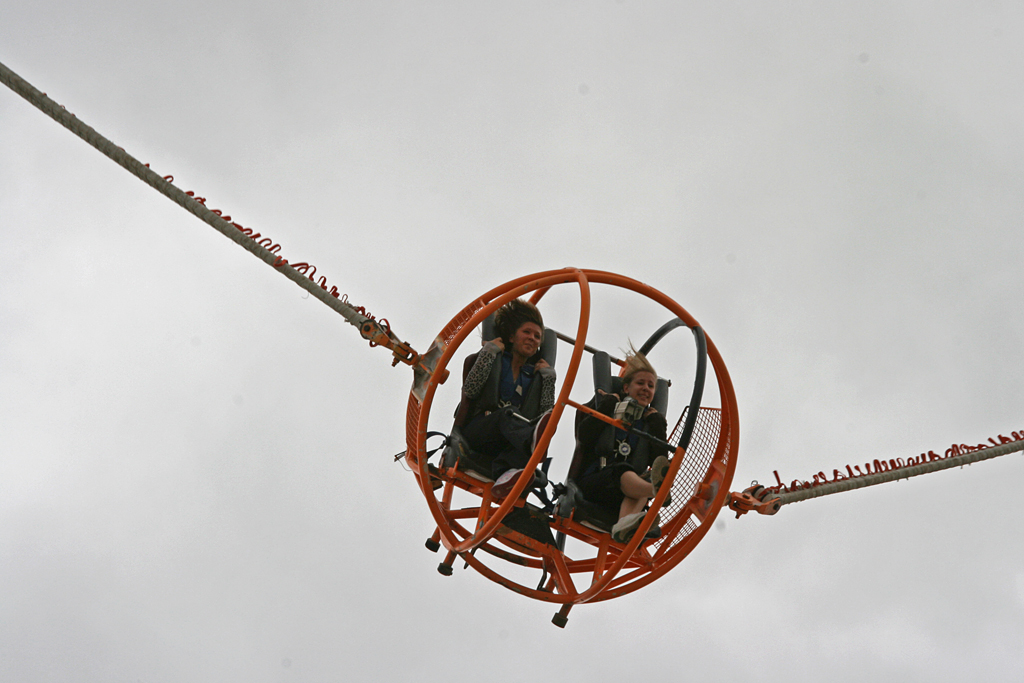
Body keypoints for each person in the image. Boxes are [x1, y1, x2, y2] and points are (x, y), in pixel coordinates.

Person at [456, 299, 557, 498]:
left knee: (529, 432)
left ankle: (505, 474)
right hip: (480, 430)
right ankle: (530, 442)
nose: (533, 339)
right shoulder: (495, 360)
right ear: (512, 336)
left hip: (508, 441)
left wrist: (549, 380)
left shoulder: (533, 376)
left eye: (537, 336)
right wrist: (488, 352)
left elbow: (546, 415)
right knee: (510, 417)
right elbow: (471, 390)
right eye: (527, 332)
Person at [575, 348, 670, 543]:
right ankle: (656, 491)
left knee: (646, 476)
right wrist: (607, 405)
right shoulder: (609, 408)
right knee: (625, 471)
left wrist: (657, 425)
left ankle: (623, 524)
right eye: (640, 383)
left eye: (651, 386)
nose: (646, 388)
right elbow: (584, 437)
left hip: (622, 494)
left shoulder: (648, 424)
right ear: (626, 388)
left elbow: (660, 461)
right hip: (595, 484)